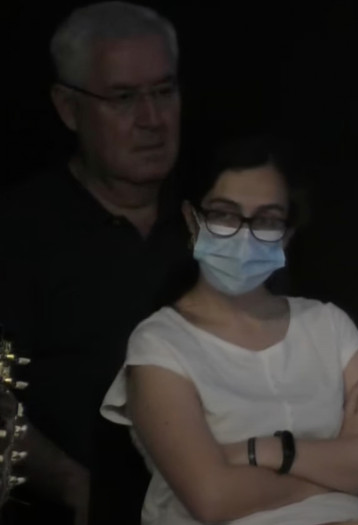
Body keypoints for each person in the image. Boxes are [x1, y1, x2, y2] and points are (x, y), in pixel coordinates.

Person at [96, 135, 358, 525]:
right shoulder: (160, 344)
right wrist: (337, 467)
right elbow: (213, 498)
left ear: (286, 233)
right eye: (225, 215)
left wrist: (264, 451)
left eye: (266, 220)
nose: (244, 235)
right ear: (192, 219)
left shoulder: (328, 326)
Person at [0, 2, 188, 523]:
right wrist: (73, 486)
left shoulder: (218, 218)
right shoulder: (19, 231)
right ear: (68, 108)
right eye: (124, 98)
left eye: (164, 91)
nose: (152, 119)